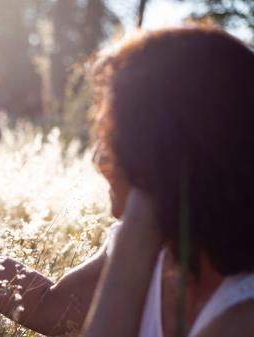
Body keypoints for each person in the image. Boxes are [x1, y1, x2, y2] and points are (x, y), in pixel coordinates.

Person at [82, 26, 254, 337]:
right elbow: (48, 305)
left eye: (112, 139)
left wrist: (138, 227)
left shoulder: (241, 321)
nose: (98, 161)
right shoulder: (193, 274)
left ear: (156, 153)